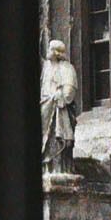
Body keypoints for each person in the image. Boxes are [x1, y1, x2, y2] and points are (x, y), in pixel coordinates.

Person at [41, 38, 79, 171]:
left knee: (58, 138)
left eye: (50, 48)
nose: (48, 51)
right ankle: (48, 167)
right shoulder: (46, 69)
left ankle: (60, 168)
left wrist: (59, 96)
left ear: (56, 52)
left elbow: (70, 90)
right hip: (46, 108)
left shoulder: (67, 68)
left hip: (59, 109)